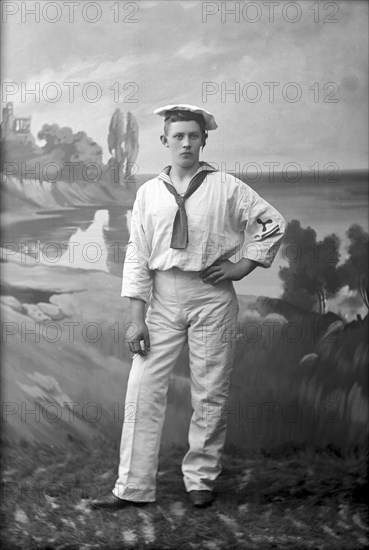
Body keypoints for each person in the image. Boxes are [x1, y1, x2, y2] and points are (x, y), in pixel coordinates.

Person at [90, 104, 286, 510]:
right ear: (164, 141)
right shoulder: (147, 193)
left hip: (211, 297)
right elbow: (136, 255)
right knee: (142, 389)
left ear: (204, 140)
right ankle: (133, 487)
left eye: (192, 136)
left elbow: (272, 222)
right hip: (161, 299)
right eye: (177, 136)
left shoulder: (227, 187)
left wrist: (242, 265)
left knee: (210, 390)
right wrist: (136, 319)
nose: (185, 142)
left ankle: (200, 478)